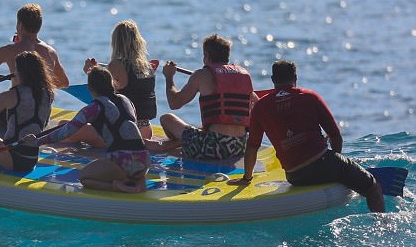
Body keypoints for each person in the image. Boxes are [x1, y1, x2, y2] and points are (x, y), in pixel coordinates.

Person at [228, 60, 386, 212]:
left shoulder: (260, 107)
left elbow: (252, 146)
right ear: (295, 78)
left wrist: (247, 178)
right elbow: (335, 135)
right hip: (322, 165)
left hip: (295, 176)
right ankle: (384, 229)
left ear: (273, 80)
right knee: (373, 187)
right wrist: (336, 160)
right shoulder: (309, 96)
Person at [23, 67, 150, 193]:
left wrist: (37, 141)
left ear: (89, 88)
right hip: (145, 161)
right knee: (127, 158)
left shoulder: (93, 108)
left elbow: (65, 132)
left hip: (121, 162)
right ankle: (138, 180)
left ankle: (118, 185)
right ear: (112, 84)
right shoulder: (126, 100)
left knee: (85, 178)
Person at [0, 3, 68, 126]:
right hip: (41, 115)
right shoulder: (50, 51)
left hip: (16, 110)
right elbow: (63, 83)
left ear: (20, 25)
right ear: (39, 26)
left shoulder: (9, 50)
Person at [150, 34, 256, 160]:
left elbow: (174, 103)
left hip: (212, 148)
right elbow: (257, 107)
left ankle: (175, 145)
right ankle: (185, 141)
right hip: (240, 146)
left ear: (207, 56)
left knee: (166, 119)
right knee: (201, 128)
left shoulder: (201, 75)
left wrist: (169, 77)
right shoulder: (244, 75)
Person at [83, 19, 157, 139]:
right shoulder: (147, 66)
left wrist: (91, 72)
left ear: (116, 42)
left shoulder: (116, 65)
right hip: (145, 129)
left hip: (122, 131)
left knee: (64, 125)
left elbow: (102, 92)